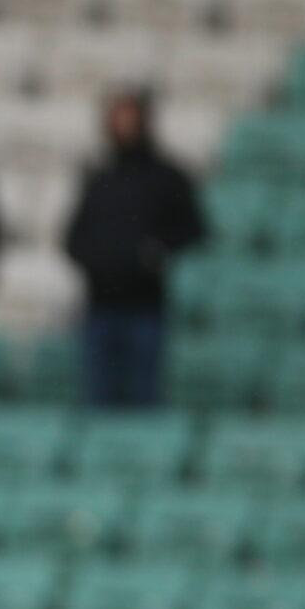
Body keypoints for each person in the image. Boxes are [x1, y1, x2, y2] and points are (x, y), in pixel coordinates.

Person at [63, 90, 206, 411]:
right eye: (119, 119)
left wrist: (155, 252)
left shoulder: (166, 176)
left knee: (143, 399)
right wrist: (98, 261)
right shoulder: (98, 178)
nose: (125, 126)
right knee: (98, 400)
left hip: (145, 307)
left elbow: (194, 229)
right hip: (99, 305)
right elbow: (73, 238)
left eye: (131, 119)